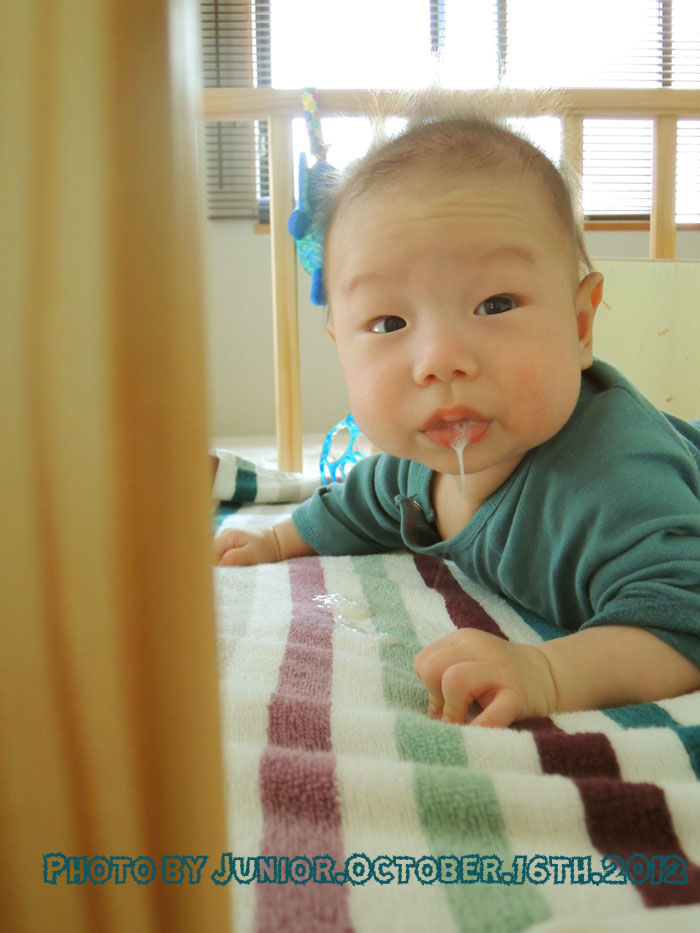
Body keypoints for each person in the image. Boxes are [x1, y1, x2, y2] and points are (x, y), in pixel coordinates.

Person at [213, 98, 700, 728]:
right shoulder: (415, 468)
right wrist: (276, 539)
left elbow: (682, 616)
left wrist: (550, 673)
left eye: (495, 305)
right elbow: (358, 504)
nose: (440, 361)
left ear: (581, 326)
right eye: (389, 322)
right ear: (341, 348)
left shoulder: (618, 484)